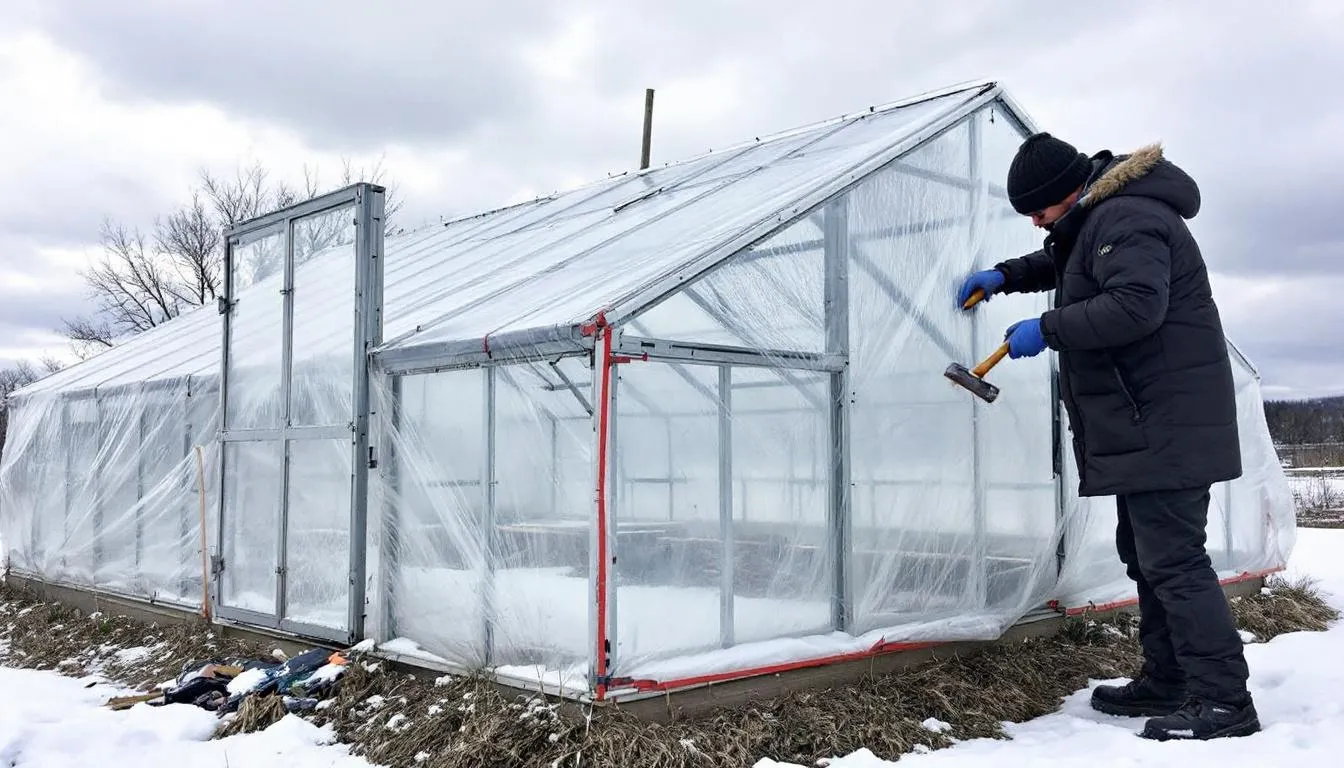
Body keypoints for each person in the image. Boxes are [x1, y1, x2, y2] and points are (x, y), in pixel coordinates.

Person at [956, 132, 1259, 741]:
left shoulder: (1130, 215)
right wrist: (1008, 276)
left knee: (1174, 562)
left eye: (1038, 211)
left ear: (1067, 193)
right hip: (1145, 421)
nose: (1037, 222)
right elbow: (1073, 260)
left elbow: (1135, 305)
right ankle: (1169, 678)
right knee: (1146, 558)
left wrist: (1048, 326)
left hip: (1163, 421)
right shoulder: (1101, 216)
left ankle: (1225, 702)